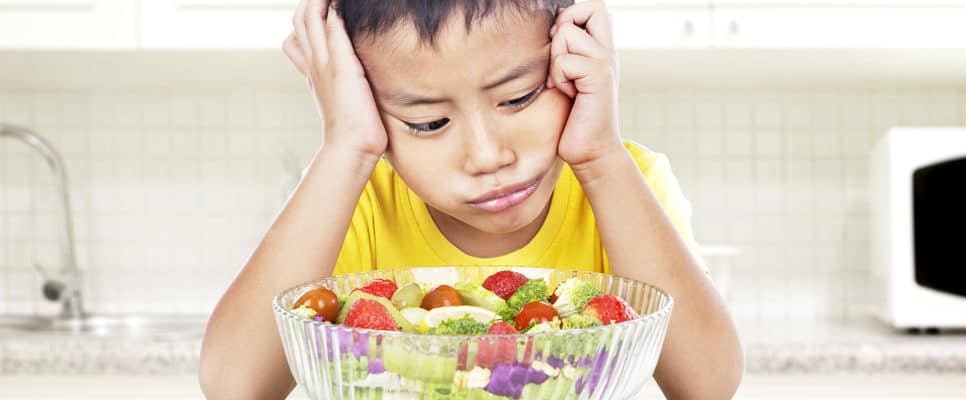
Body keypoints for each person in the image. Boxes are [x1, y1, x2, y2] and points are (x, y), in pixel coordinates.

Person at [199, 0, 744, 398]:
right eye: (428, 121)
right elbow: (234, 386)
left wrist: (601, 160)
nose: (487, 156)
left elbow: (709, 385)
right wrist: (346, 147)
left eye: (518, 96)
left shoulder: (627, 181)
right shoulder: (357, 203)